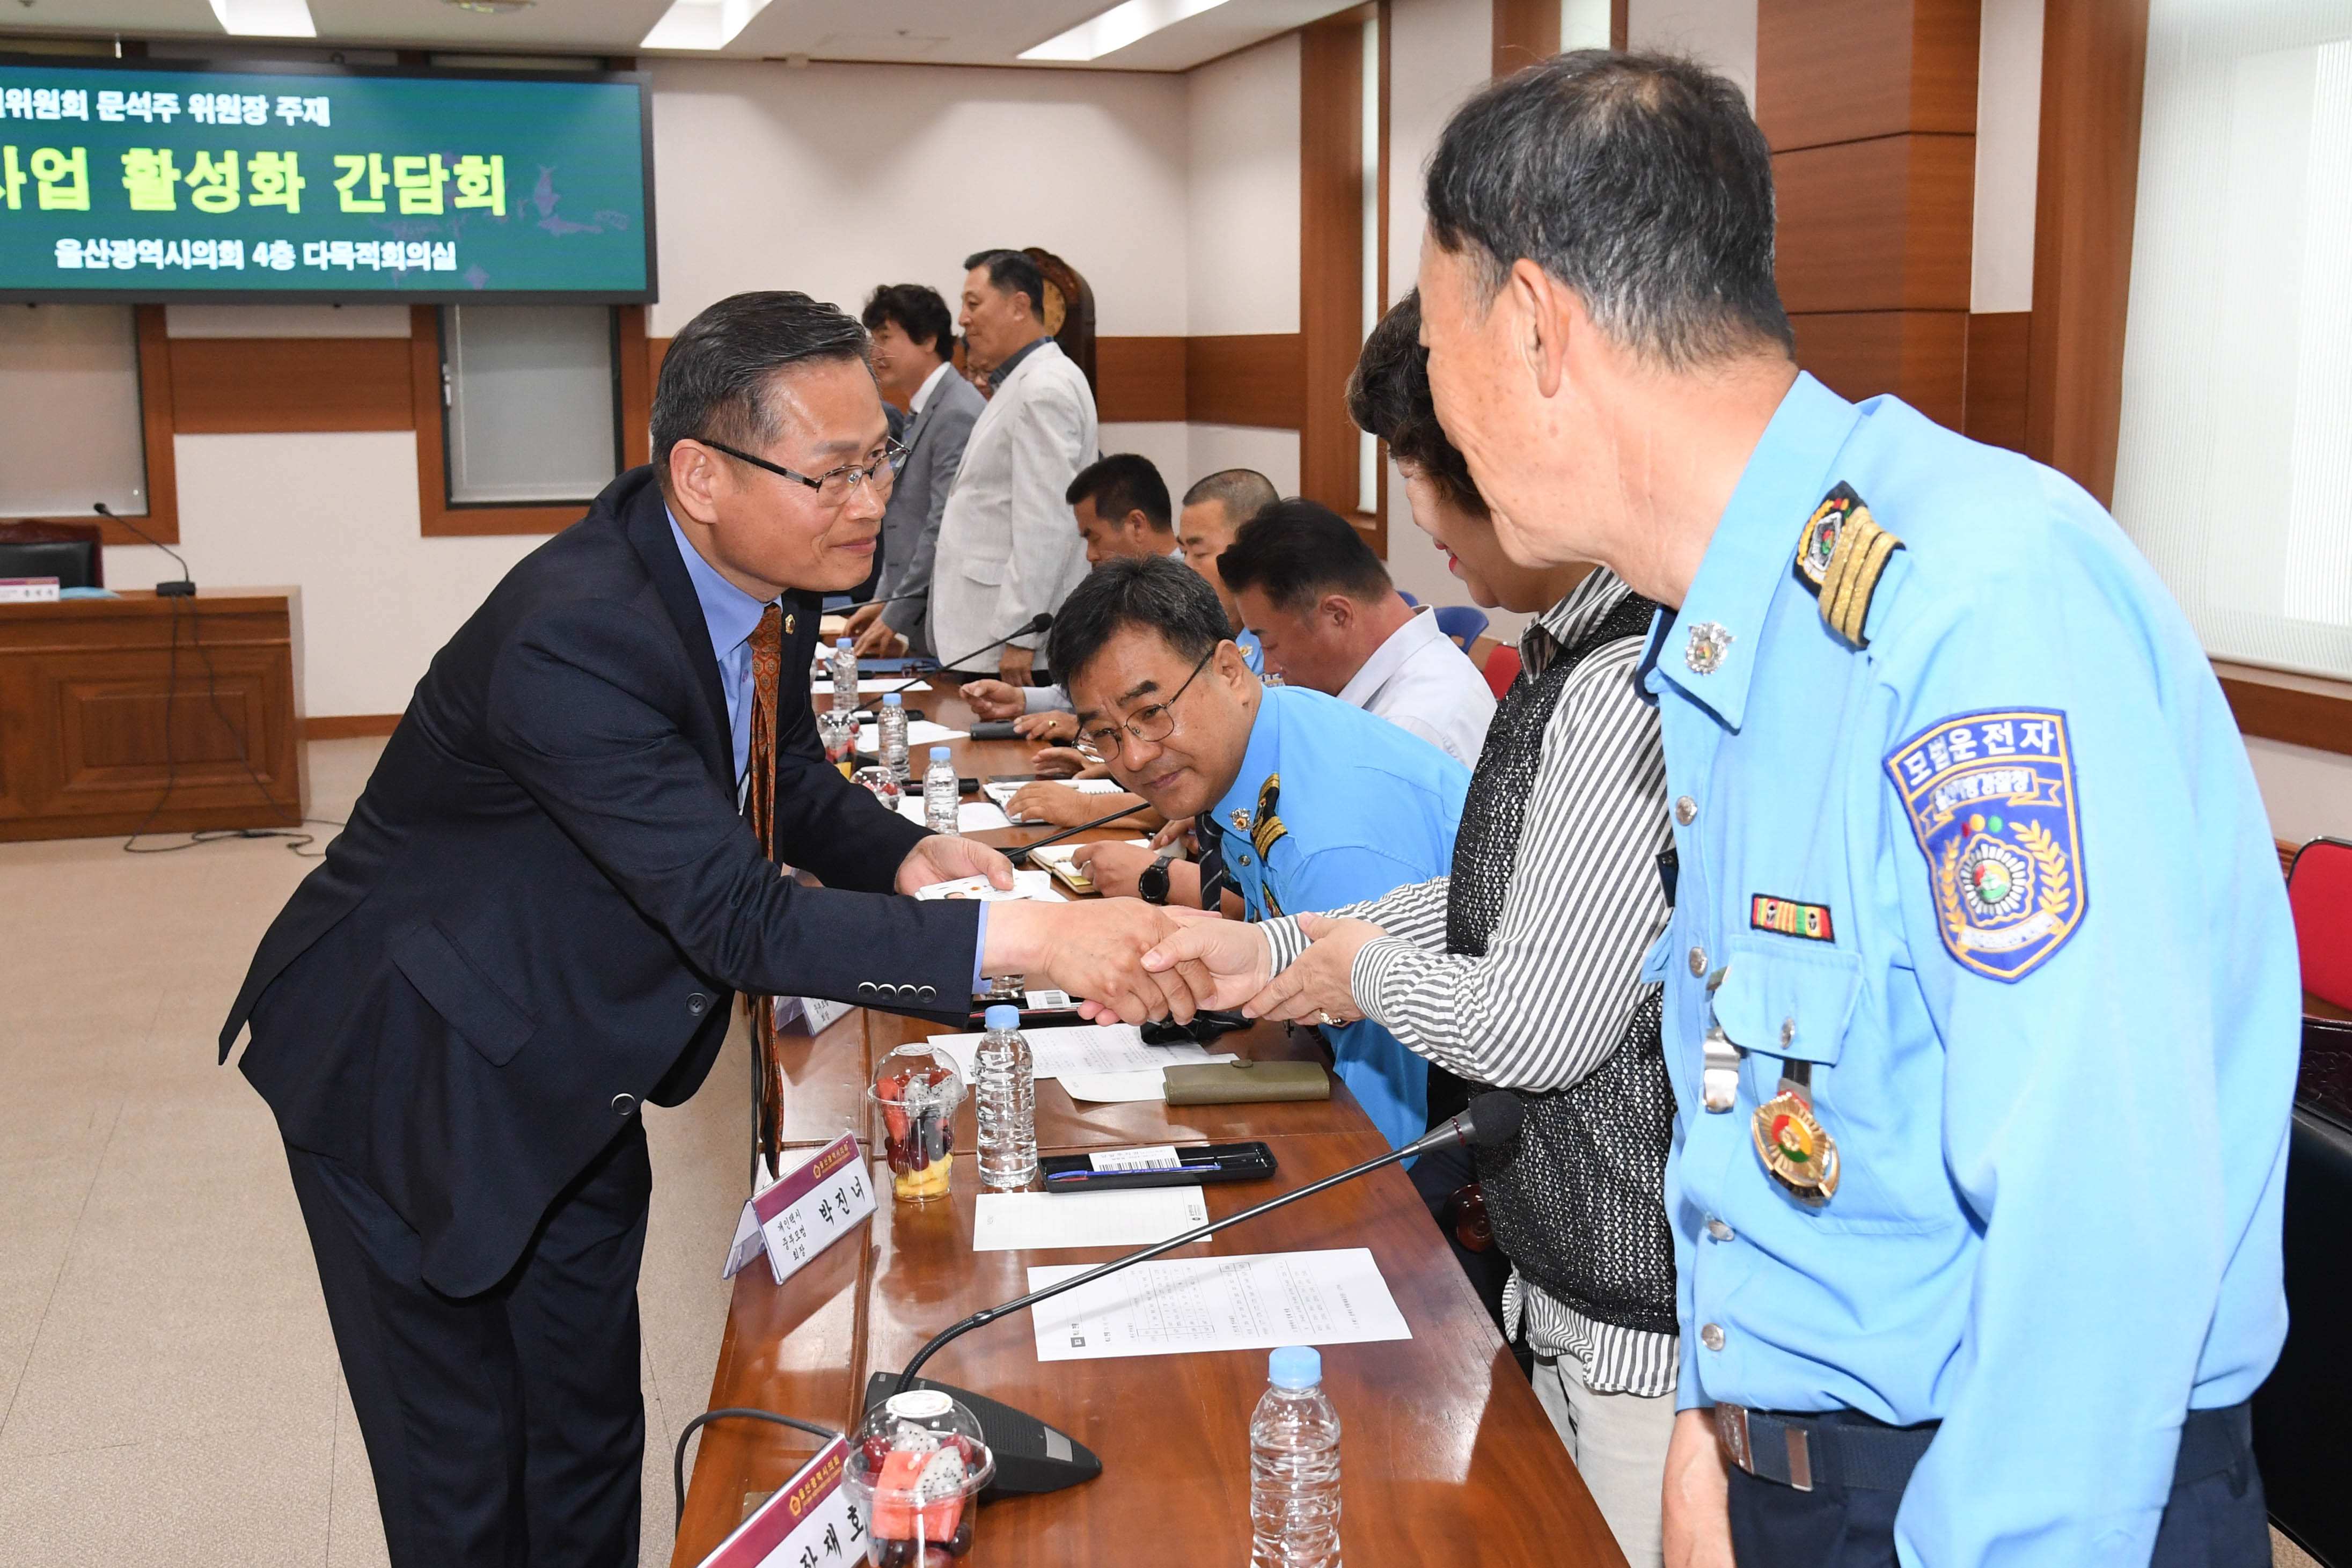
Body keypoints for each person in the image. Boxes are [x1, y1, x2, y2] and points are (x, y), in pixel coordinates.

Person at [1413, 51, 2291, 1568]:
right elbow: (1760, 1114)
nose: (1428, 399)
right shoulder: (1733, 640)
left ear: (1533, 326)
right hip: (1800, 1477)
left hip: (2005, 1503)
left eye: (1432, 344)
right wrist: (1710, 1434)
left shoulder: (1965, 608)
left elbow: (2099, 1226)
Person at [216, 291, 1194, 1568]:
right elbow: (735, 915)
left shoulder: (760, 575)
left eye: (879, 459)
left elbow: (779, 783)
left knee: (584, 1433)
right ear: (702, 476)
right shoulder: (577, 633)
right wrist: (1030, 938)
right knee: (463, 1471)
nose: (869, 501)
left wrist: (905, 850)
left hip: (575, 1063)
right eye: (833, 472)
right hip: (415, 1069)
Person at [1136, 289, 1681, 1566]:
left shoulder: (1628, 675)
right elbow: (1503, 899)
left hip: (1633, 1309)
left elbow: (1536, 1021)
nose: (1425, 528)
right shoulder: (1570, 646)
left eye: (1430, 478)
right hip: (1562, 1274)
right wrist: (1281, 952)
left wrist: (1347, 966)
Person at [1053, 555, 1471, 1153]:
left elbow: (1389, 1115)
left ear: (1228, 668)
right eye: (1106, 734)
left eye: (1150, 713)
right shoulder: (1265, 737)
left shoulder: (1330, 836)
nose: (1136, 757)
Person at [1219, 499, 1496, 766]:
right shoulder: (1391, 685)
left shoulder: (1408, 733)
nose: (1271, 667)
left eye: (1270, 644)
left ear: (1338, 615)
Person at [929, 248, 1098, 679]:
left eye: (973, 303)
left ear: (1018, 305)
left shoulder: (1044, 388)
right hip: (985, 633)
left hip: (1008, 644)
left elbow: (1046, 521)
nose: (963, 319)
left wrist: (1021, 636)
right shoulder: (1026, 381)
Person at [846, 283, 983, 659]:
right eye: (873, 338)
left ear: (927, 339)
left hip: (945, 612)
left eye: (886, 337)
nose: (875, 351)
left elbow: (941, 525)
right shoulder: (923, 408)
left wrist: (894, 614)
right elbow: (905, 517)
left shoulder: (956, 411)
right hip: (917, 609)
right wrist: (883, 601)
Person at [1177, 467, 1279, 674]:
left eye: (1199, 552)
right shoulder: (1190, 632)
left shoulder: (1287, 647)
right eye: (1183, 552)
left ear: (1252, 547)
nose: (1186, 568)